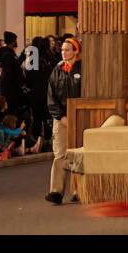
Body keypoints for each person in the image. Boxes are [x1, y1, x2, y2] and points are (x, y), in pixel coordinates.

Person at [45, 36, 82, 204]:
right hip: (61, 119)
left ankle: (78, 191)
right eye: (62, 50)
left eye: (67, 50)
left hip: (80, 117)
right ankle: (56, 191)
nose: (64, 53)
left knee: (78, 155)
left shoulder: (83, 69)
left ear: (76, 51)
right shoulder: (57, 70)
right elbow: (51, 97)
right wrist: (60, 116)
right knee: (59, 154)